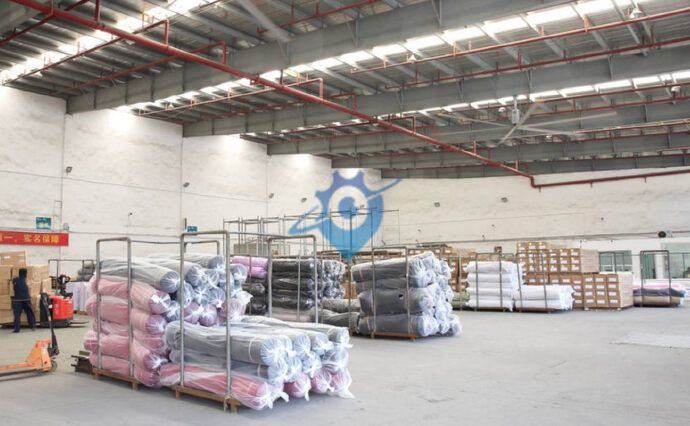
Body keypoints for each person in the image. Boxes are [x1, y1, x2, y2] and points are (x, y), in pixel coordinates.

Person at [12, 268, 36, 332]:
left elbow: (13, 283)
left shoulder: (15, 280)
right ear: (25, 274)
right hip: (26, 299)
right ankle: (33, 326)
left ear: (19, 273)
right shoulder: (26, 281)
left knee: (17, 314)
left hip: (17, 300)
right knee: (29, 312)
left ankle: (17, 329)